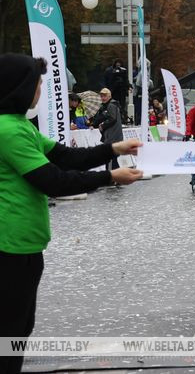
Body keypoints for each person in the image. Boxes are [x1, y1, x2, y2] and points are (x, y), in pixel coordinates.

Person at [0, 54, 142, 374]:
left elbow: (65, 157)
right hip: (8, 247)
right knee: (9, 333)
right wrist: (110, 177)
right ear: (19, 88)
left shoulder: (20, 126)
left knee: (19, 329)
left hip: (25, 244)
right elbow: (53, 181)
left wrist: (113, 149)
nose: (40, 91)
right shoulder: (7, 131)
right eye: (37, 84)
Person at [90, 88, 124, 170]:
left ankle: (112, 175)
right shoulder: (107, 106)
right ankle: (117, 175)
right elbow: (102, 117)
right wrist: (93, 124)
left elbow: (112, 118)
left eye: (105, 96)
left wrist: (103, 125)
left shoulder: (111, 105)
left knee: (110, 159)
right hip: (113, 136)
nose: (103, 98)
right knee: (112, 159)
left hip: (112, 136)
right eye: (101, 96)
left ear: (109, 96)